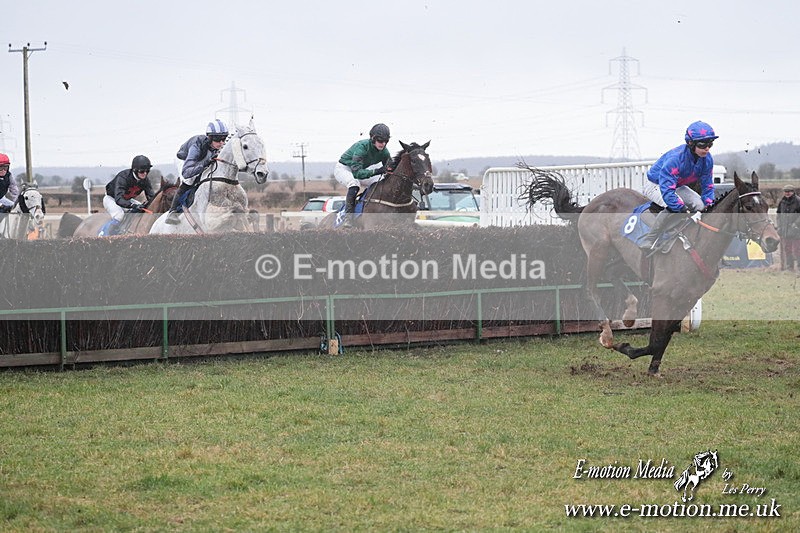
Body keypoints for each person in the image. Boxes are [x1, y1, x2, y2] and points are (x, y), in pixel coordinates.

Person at [638, 120, 718, 250]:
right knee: (675, 206)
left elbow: (708, 185)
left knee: (700, 205)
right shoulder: (675, 159)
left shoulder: (707, 159)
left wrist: (709, 204)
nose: (707, 148)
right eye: (703, 144)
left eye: (710, 144)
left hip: (677, 185)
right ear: (691, 143)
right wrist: (681, 208)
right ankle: (651, 238)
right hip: (655, 184)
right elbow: (668, 191)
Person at [165, 119, 229, 224]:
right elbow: (187, 172)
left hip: (201, 158)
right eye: (218, 139)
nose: (221, 143)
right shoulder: (196, 146)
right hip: (184, 159)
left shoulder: (217, 145)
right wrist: (203, 164)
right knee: (189, 181)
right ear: (209, 137)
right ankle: (172, 212)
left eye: (224, 139)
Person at [333, 123, 393, 227]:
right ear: (373, 138)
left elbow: (392, 170)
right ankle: (348, 218)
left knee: (379, 182)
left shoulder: (384, 152)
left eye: (385, 141)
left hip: (361, 170)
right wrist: (376, 171)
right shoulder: (361, 147)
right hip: (344, 168)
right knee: (354, 183)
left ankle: (369, 208)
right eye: (380, 140)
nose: (382, 144)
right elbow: (357, 173)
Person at [103, 155, 156, 234]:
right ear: (135, 170)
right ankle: (105, 235)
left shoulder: (145, 180)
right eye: (142, 171)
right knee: (119, 215)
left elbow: (152, 197)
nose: (145, 173)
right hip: (112, 199)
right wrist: (132, 205)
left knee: (143, 210)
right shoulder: (123, 177)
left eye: (147, 171)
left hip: (127, 200)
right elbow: (119, 199)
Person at [777, 184, 800, 271]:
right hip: (785, 231)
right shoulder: (782, 202)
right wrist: (779, 226)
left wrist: (796, 224)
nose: (787, 193)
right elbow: (778, 214)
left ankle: (799, 267)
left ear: (793, 192)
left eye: (789, 191)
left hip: (797, 231)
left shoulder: (798, 201)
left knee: (797, 250)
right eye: (785, 192)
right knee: (787, 250)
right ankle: (789, 267)